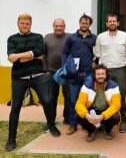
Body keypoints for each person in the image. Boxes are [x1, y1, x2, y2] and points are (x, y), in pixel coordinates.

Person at [5, 14, 60, 151]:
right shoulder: (12, 39)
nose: (25, 25)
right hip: (19, 78)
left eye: (27, 23)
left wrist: (20, 56)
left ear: (31, 24)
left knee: (46, 101)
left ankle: (51, 125)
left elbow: (40, 52)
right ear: (18, 23)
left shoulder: (37, 37)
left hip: (38, 76)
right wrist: (32, 56)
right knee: (16, 107)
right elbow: (11, 58)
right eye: (22, 23)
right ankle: (11, 139)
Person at [94, 13, 126, 133]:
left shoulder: (125, 36)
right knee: (104, 96)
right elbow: (98, 54)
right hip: (105, 71)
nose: (112, 23)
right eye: (110, 21)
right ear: (106, 23)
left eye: (114, 21)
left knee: (121, 96)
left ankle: (123, 120)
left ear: (118, 23)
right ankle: (105, 120)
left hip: (120, 69)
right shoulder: (100, 37)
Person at [61, 13, 97, 135]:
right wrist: (65, 66)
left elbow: (98, 53)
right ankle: (73, 124)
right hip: (73, 75)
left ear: (90, 24)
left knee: (87, 100)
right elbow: (64, 52)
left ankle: (84, 122)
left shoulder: (94, 38)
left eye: (87, 23)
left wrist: (95, 62)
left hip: (88, 75)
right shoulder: (72, 38)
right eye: (82, 22)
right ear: (79, 23)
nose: (84, 25)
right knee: (73, 100)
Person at [75, 64, 121, 142]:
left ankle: (108, 130)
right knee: (78, 115)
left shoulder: (114, 86)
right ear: (94, 75)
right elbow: (79, 104)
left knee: (115, 117)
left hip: (106, 111)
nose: (101, 76)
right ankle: (91, 131)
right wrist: (86, 115)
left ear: (106, 75)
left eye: (103, 74)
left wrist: (103, 116)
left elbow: (116, 105)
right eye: (98, 74)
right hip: (93, 111)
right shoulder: (87, 85)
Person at [44, 18, 70, 126]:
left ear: (64, 26)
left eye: (61, 26)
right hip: (51, 72)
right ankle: (50, 121)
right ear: (53, 26)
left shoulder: (70, 37)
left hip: (66, 72)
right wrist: (45, 69)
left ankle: (67, 118)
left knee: (68, 97)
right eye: (56, 26)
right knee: (51, 98)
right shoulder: (47, 37)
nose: (59, 28)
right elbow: (43, 55)